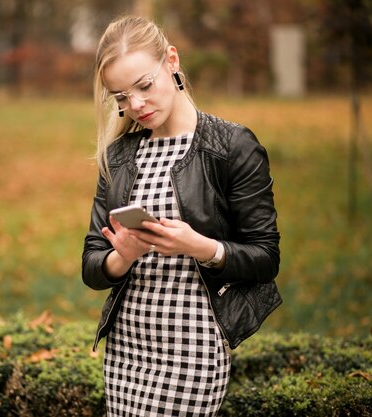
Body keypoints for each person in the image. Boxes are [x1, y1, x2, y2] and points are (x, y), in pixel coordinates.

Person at [82, 15, 282, 417]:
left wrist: (201, 247)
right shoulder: (119, 157)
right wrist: (122, 256)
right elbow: (91, 264)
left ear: (171, 61)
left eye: (143, 86)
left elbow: (266, 257)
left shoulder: (231, 147)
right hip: (127, 349)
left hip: (194, 348)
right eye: (120, 97)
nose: (135, 105)